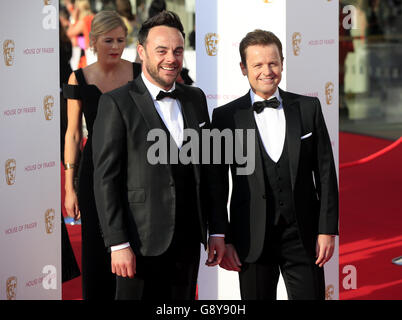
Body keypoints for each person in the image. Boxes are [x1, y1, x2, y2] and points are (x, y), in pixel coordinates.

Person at [92, 10, 226, 300]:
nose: (171, 58)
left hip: (189, 239)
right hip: (139, 241)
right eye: (161, 50)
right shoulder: (116, 103)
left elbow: (211, 169)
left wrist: (217, 229)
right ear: (141, 52)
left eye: (178, 51)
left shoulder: (195, 98)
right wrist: (117, 244)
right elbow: (106, 179)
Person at [212, 29, 339, 300]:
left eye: (273, 63)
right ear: (243, 68)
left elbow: (326, 173)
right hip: (251, 238)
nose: (267, 71)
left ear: (282, 62)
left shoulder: (308, 108)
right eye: (258, 65)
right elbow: (217, 183)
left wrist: (327, 228)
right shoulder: (225, 117)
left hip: (304, 237)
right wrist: (225, 237)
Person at [62, 10, 141, 300]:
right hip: (94, 171)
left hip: (136, 169)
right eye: (109, 40)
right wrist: (69, 187)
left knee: (134, 244)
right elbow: (72, 134)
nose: (116, 47)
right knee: (96, 248)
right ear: (93, 41)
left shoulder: (138, 72)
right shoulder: (78, 78)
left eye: (121, 40)